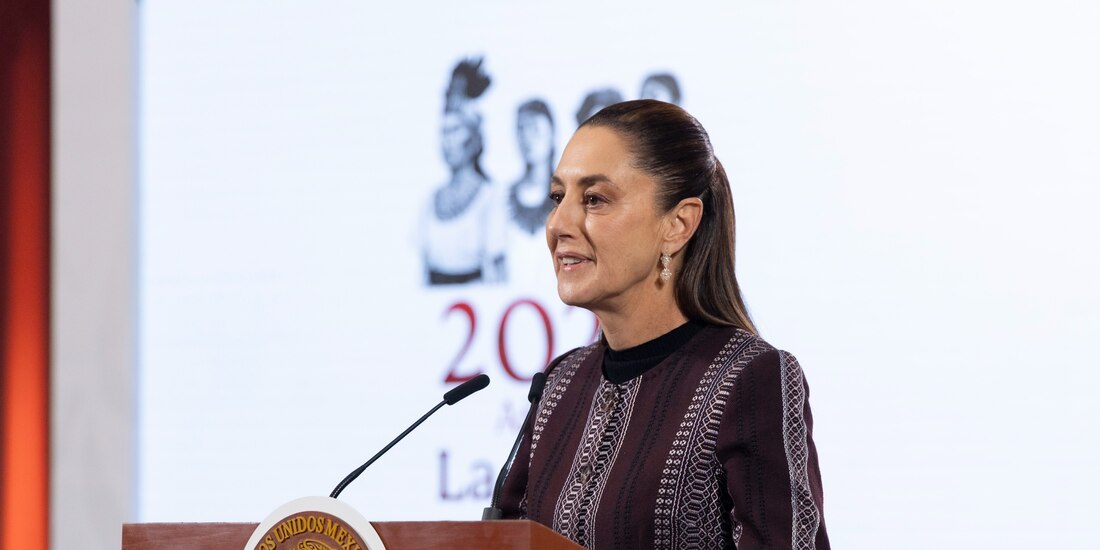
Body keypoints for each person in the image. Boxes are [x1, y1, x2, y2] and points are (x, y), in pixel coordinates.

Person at [497, 100, 829, 549]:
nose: (559, 224)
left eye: (594, 199)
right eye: (558, 198)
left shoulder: (750, 378)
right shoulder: (560, 384)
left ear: (677, 224)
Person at [421, 58, 507, 285]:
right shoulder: (430, 200)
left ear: (472, 136)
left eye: (455, 130)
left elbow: (499, 273)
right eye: (444, 132)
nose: (447, 141)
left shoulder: (491, 196)